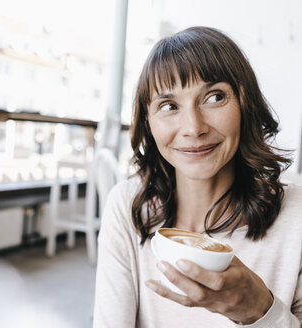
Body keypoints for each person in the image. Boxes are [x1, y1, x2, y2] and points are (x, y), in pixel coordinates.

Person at [93, 26, 302, 327]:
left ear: (246, 104)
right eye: (169, 106)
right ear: (148, 121)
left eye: (215, 97)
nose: (193, 127)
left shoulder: (295, 216)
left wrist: (259, 310)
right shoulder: (127, 207)